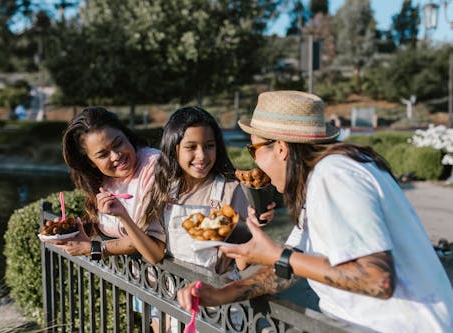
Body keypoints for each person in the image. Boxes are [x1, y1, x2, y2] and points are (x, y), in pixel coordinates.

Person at [177, 91, 453, 332]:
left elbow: (377, 279)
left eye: (254, 149)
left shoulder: (334, 176)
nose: (256, 163)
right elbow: (286, 269)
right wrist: (221, 293)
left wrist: (276, 254)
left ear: (281, 149)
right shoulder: (321, 181)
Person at [141, 106, 274, 332]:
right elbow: (156, 249)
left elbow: (242, 261)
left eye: (209, 146)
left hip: (217, 306)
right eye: (191, 147)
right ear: (174, 149)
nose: (202, 156)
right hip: (170, 297)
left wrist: (254, 227)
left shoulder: (231, 189)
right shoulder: (164, 191)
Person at [42, 106, 165, 264]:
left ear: (126, 135)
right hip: (138, 282)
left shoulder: (154, 166)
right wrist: (68, 231)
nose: (116, 156)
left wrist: (92, 249)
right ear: (91, 162)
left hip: (168, 283)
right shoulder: (104, 178)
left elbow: (152, 243)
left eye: (118, 144)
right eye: (103, 154)